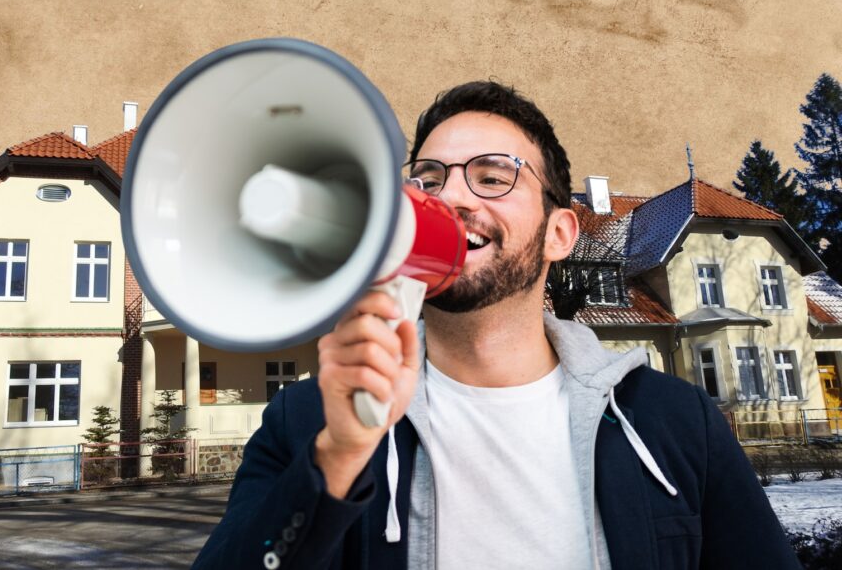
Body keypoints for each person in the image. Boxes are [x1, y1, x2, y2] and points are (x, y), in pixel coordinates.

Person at [192, 81, 798, 569]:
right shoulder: (307, 423)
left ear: (559, 234)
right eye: (428, 179)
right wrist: (338, 457)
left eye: (491, 176)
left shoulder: (675, 424)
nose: (449, 197)